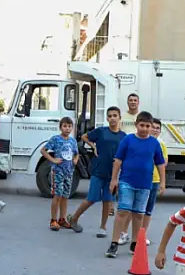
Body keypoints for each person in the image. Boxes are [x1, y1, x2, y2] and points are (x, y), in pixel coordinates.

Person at [107, 111, 166, 258]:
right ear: (136, 125)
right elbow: (118, 160)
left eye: (148, 126)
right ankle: (114, 243)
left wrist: (163, 183)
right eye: (142, 125)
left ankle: (135, 243)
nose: (145, 129)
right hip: (127, 181)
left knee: (139, 214)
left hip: (145, 184)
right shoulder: (128, 140)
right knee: (122, 211)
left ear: (151, 127)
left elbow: (160, 164)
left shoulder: (154, 143)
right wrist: (114, 179)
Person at [66, 106, 126, 237]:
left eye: (115, 116)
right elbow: (84, 137)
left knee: (107, 200)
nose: (112, 118)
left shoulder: (123, 137)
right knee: (91, 199)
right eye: (109, 116)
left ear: (120, 118)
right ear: (107, 118)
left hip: (112, 174)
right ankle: (74, 218)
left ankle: (103, 227)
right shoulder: (101, 132)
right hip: (98, 171)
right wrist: (93, 146)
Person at [41, 117, 79, 231]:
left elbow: (76, 154)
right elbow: (43, 150)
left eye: (69, 126)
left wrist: (76, 159)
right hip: (58, 171)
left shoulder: (73, 141)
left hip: (69, 172)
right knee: (57, 195)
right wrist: (53, 160)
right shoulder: (55, 139)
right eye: (65, 126)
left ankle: (62, 219)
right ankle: (53, 220)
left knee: (65, 196)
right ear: (60, 127)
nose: (67, 129)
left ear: (72, 128)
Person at [142, 117, 169, 245]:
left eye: (158, 128)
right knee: (134, 209)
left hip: (154, 180)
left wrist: (163, 183)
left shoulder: (161, 144)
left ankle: (142, 234)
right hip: (140, 180)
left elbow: (163, 163)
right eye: (153, 127)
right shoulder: (142, 141)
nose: (155, 130)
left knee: (148, 210)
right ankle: (125, 233)